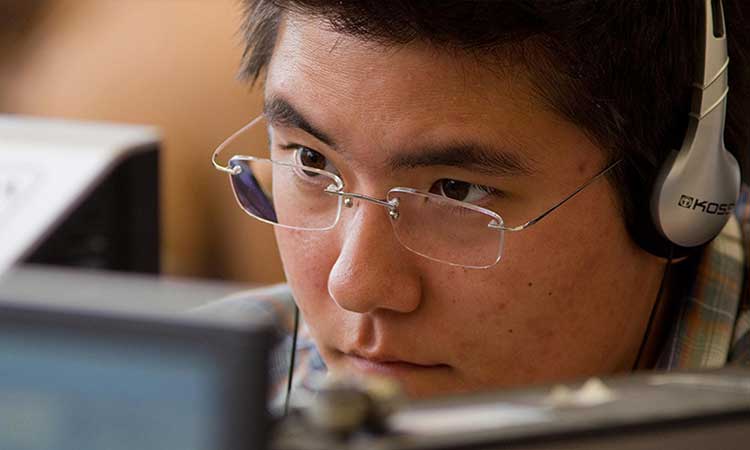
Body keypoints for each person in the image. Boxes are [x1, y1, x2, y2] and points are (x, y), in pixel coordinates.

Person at [204, 0, 750, 408]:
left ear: (682, 198)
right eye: (311, 163)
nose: (355, 287)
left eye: (455, 191)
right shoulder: (193, 391)